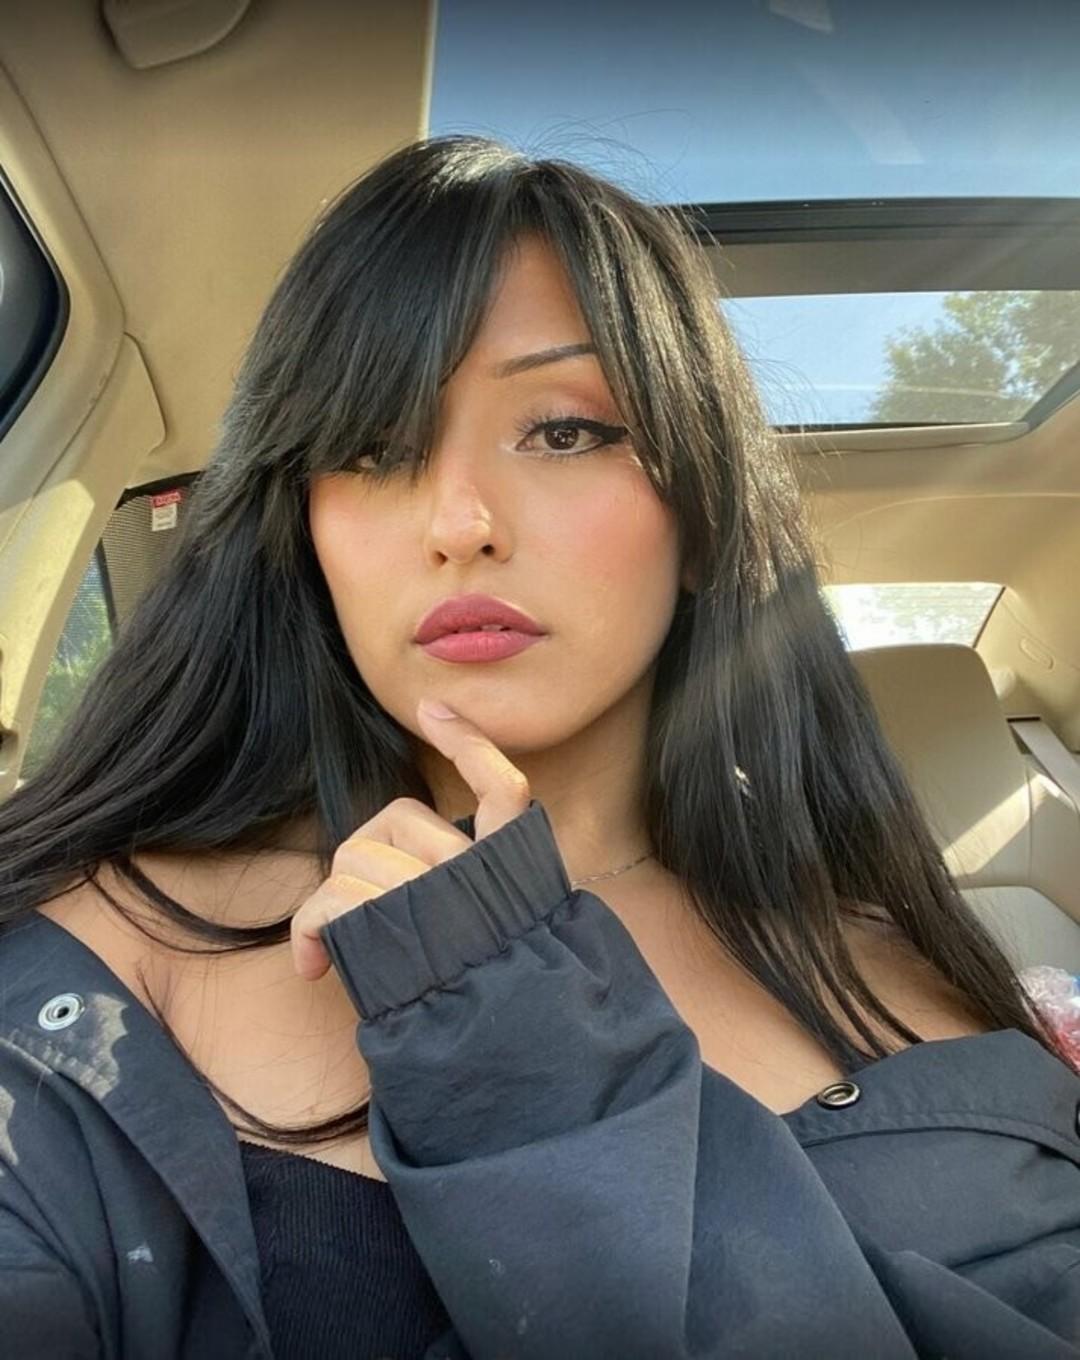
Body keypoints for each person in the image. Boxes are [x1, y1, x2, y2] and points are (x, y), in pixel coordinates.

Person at [0, 134, 1077, 1360]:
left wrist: (519, 1045)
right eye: (372, 448)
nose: (459, 523)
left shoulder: (931, 992)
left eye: (564, 431)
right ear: (303, 529)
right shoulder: (104, 952)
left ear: (703, 512)